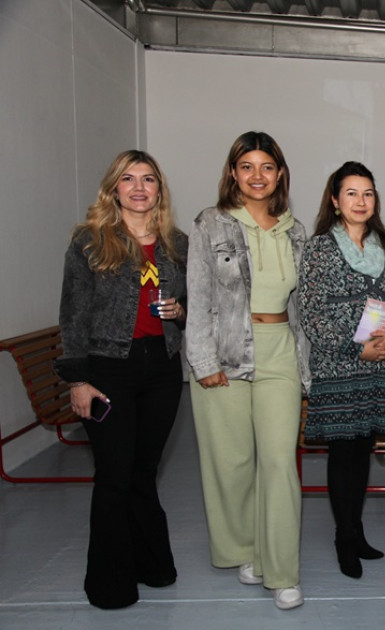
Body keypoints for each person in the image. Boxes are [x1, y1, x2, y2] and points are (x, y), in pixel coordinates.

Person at [55, 150, 187, 609]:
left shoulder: (177, 244)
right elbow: (72, 314)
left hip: (162, 368)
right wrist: (77, 380)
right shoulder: (89, 242)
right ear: (114, 188)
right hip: (107, 369)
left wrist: (181, 311)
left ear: (159, 189)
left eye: (148, 179)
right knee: (114, 475)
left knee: (144, 471)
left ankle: (152, 565)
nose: (138, 187)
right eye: (128, 179)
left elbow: (191, 304)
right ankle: (109, 585)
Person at [186, 131, 309, 610]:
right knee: (233, 462)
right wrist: (203, 361)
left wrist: (308, 364)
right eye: (247, 166)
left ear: (280, 174)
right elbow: (199, 296)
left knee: (279, 461)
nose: (257, 176)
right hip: (226, 349)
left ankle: (282, 571)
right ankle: (246, 550)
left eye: (267, 167)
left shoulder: (295, 231)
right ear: (233, 173)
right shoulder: (210, 224)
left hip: (280, 351)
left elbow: (301, 307)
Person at [297, 161, 385, 579]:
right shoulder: (320, 248)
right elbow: (311, 313)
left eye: (367, 193)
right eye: (351, 193)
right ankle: (344, 537)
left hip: (380, 365)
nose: (360, 201)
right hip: (339, 366)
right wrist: (355, 348)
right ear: (334, 200)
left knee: (363, 450)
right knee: (343, 453)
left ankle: (356, 530)